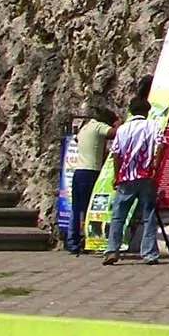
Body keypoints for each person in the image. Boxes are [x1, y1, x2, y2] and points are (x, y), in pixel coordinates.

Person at [103, 95, 165, 266]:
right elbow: (161, 145)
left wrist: (117, 175)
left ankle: (112, 250)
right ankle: (149, 253)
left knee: (118, 216)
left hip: (126, 177)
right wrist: (155, 167)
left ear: (131, 111)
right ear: (147, 111)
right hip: (146, 176)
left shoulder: (123, 129)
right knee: (148, 215)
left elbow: (116, 153)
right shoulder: (153, 126)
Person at [66, 106, 114, 255]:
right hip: (91, 172)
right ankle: (90, 241)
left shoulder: (85, 128)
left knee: (76, 208)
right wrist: (119, 125)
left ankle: (73, 243)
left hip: (78, 171)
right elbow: (115, 133)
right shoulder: (99, 126)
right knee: (90, 209)